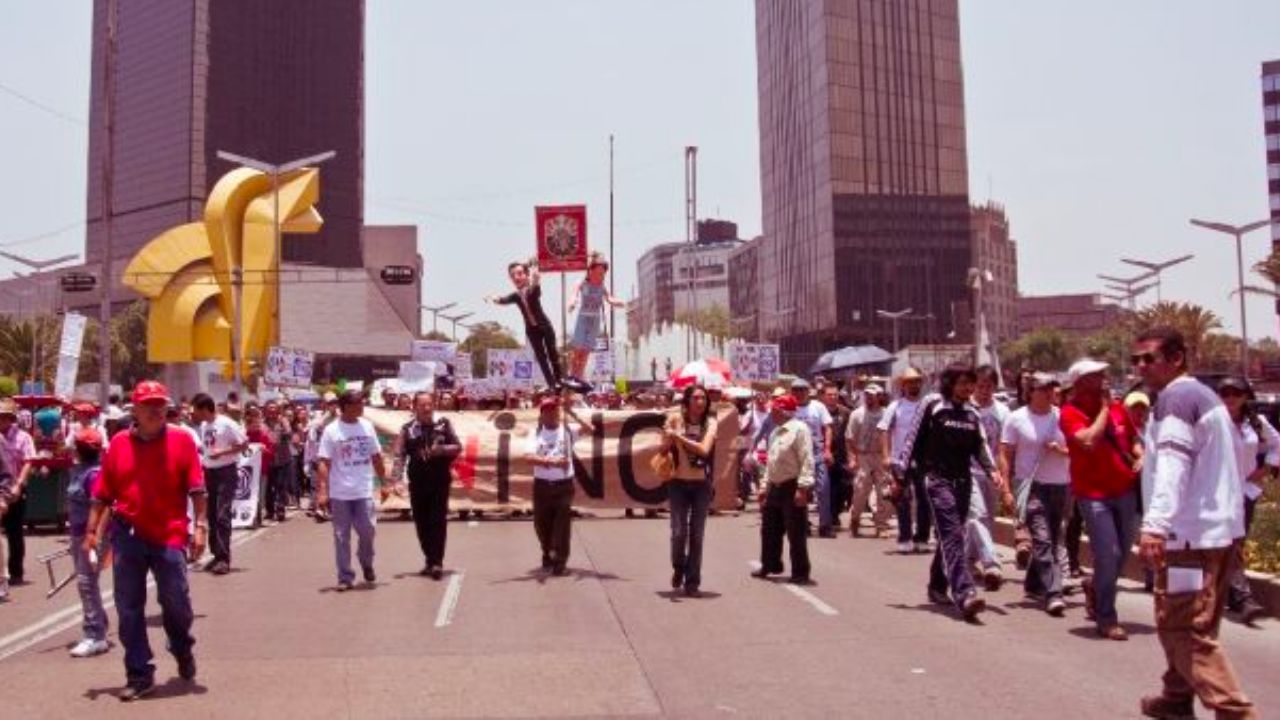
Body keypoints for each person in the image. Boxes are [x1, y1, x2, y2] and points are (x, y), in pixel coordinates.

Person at [1133, 327, 1256, 720]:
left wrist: (1155, 524)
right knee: (1192, 623)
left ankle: (1236, 713)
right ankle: (1176, 698)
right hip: (1215, 533)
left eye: (1149, 359)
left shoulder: (1178, 398)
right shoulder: (1205, 398)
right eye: (1137, 359)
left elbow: (1173, 466)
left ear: (1176, 359)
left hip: (1188, 540)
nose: (1140, 367)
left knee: (1184, 630)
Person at [84, 381, 206, 701]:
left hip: (169, 534)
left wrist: (201, 525)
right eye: (148, 404)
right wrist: (91, 532)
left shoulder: (183, 441)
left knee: (175, 602)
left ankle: (181, 646)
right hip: (128, 536)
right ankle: (139, 674)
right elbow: (102, 494)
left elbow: (197, 489)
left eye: (160, 404)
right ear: (134, 410)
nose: (155, 409)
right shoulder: (119, 445)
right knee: (128, 608)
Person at [909, 364, 1005, 621]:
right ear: (950, 383)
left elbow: (981, 447)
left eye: (970, 383)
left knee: (950, 535)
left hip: (963, 482)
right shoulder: (933, 405)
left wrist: (992, 471)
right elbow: (912, 441)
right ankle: (965, 594)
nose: (968, 388)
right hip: (937, 480)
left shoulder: (973, 414)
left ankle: (937, 585)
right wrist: (900, 475)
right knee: (952, 534)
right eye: (963, 383)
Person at [1059, 359, 1142, 639]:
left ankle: (1095, 586)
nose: (1103, 378)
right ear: (1080, 382)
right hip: (1093, 494)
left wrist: (1139, 455)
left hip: (1124, 489)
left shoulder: (1120, 409)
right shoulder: (1070, 412)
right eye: (1096, 375)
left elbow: (1132, 439)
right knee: (1109, 553)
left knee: (1122, 553)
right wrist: (1105, 410)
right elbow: (1088, 440)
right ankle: (1106, 616)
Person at [1000, 372, 1071, 617]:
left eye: (1051, 389)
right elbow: (1005, 454)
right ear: (1031, 392)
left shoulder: (1063, 417)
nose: (1049, 393)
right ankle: (1054, 592)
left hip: (1060, 485)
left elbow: (1078, 448)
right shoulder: (1016, 418)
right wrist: (1006, 489)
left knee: (1052, 535)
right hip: (1030, 486)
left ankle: (1032, 584)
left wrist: (1059, 450)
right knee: (1043, 540)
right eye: (1043, 389)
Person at [1216, 377, 1276, 625]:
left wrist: (1266, 469)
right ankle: (1243, 599)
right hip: (1217, 492)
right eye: (1225, 393)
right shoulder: (1211, 422)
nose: (1231, 398)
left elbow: (1277, 446)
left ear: (1245, 396)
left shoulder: (1256, 422)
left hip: (1246, 491)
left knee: (1234, 541)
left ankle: (1229, 595)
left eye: (1236, 393)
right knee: (1230, 541)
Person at [316, 391, 389, 591]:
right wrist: (323, 490)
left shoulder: (366, 426)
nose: (362, 406)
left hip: (363, 489)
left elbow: (376, 456)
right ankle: (345, 577)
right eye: (358, 403)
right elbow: (324, 461)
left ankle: (366, 561)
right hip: (340, 493)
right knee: (341, 535)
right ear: (346, 406)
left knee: (368, 530)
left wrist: (384, 483)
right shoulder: (332, 431)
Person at [393, 392, 461, 580]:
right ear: (414, 407)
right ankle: (429, 559)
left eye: (430, 404)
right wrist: (397, 480)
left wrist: (442, 450)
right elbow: (399, 455)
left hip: (439, 481)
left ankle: (437, 562)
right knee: (421, 523)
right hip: (418, 482)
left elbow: (457, 446)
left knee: (437, 521)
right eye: (422, 405)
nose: (427, 408)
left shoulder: (443, 424)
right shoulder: (407, 429)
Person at [524, 395, 594, 575]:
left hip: (564, 485)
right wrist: (552, 461)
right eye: (546, 411)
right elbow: (527, 457)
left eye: (553, 410)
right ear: (541, 415)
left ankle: (560, 559)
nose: (550, 414)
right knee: (541, 524)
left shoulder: (568, 430)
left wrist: (572, 412)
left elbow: (590, 430)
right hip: (542, 485)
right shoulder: (536, 433)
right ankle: (547, 550)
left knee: (562, 524)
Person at [751, 394, 814, 584]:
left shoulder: (800, 430)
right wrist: (764, 487)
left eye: (775, 409)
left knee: (796, 531)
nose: (772, 413)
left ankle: (800, 571)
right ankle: (770, 564)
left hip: (792, 484)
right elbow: (771, 463)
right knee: (769, 528)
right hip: (775, 486)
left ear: (784, 411)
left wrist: (802, 488)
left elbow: (806, 460)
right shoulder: (775, 432)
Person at [663, 384, 718, 597]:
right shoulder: (675, 420)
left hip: (701, 485)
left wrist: (679, 437)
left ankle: (692, 582)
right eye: (695, 398)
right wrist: (669, 435)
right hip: (677, 482)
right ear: (686, 401)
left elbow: (704, 450)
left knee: (697, 534)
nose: (700, 402)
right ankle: (679, 566)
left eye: (703, 398)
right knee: (678, 532)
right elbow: (662, 448)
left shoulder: (711, 423)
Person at [485, 259, 565, 392]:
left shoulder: (532, 289)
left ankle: (559, 381)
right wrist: (492, 298)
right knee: (541, 357)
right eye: (513, 275)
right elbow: (503, 300)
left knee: (552, 354)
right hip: (531, 330)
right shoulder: (516, 296)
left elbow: (536, 288)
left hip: (545, 326)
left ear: (526, 275)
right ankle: (552, 385)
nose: (516, 277)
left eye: (520, 273)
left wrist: (535, 275)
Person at [878, 366, 933, 553]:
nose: (913, 385)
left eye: (916, 381)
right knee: (902, 498)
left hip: (923, 459)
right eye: (910, 382)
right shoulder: (895, 406)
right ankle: (905, 537)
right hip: (899, 459)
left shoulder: (928, 406)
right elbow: (884, 430)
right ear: (903, 385)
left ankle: (922, 537)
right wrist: (886, 455)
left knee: (925, 498)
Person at [67, 427, 110, 658]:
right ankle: (100, 622)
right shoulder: (79, 470)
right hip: (78, 534)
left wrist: (95, 536)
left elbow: (104, 507)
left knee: (86, 582)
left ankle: (95, 635)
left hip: (91, 536)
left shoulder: (94, 474)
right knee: (87, 582)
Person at [191, 393, 246, 575]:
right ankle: (215, 554)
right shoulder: (206, 425)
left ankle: (224, 558)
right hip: (210, 472)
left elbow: (243, 444)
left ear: (205, 408)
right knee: (212, 514)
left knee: (222, 514)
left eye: (197, 410)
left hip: (225, 471)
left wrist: (222, 452)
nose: (195, 415)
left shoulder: (227, 423)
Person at [967, 365, 1011, 590]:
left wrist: (1005, 481)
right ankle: (991, 564)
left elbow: (1004, 450)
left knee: (987, 519)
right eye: (980, 385)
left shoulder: (1003, 412)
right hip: (968, 472)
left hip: (992, 473)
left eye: (989, 386)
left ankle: (968, 560)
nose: (984, 390)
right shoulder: (965, 408)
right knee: (977, 515)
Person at [566, 254, 626, 390]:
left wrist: (620, 303)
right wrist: (572, 303)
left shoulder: (602, 287)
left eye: (603, 274)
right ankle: (572, 375)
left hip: (595, 319)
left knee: (586, 350)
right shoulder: (582, 283)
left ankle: (579, 377)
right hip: (583, 318)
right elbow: (573, 295)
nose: (601, 276)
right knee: (578, 349)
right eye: (598, 273)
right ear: (590, 271)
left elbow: (610, 299)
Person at [845, 384, 893, 537]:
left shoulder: (887, 414)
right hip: (863, 456)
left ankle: (881, 525)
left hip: (880, 456)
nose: (869, 397)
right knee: (860, 490)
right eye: (867, 394)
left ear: (879, 396)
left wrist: (889, 456)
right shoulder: (857, 414)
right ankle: (855, 518)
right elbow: (849, 438)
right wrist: (852, 458)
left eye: (872, 395)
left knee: (883, 492)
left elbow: (892, 434)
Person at [789, 379, 835, 537]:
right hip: (797, 455)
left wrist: (828, 449)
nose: (799, 393)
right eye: (796, 390)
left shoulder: (818, 407)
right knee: (801, 491)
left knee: (823, 489)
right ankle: (803, 524)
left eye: (803, 390)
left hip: (817, 453)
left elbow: (827, 427)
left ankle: (825, 525)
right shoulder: (790, 408)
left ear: (809, 391)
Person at [0, 397, 36, 587]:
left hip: (15, 487)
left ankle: (15, 572)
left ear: (11, 418)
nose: (1, 421)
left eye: (4, 417)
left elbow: (28, 461)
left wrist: (19, 484)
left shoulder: (23, 437)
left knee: (14, 533)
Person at [820, 383, 852, 532]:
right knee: (827, 487)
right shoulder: (820, 412)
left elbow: (851, 434)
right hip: (824, 454)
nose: (833, 397)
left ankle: (836, 511)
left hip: (842, 455)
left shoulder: (846, 412)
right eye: (829, 395)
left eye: (835, 394)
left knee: (844, 486)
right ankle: (830, 516)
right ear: (823, 397)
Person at [263, 400, 294, 522]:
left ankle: (280, 510)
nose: (272, 411)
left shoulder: (283, 421)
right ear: (266, 410)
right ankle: (270, 511)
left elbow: (289, 434)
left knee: (281, 486)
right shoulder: (262, 424)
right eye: (270, 409)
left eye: (274, 409)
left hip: (282, 460)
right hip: (268, 461)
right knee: (268, 488)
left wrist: (283, 423)